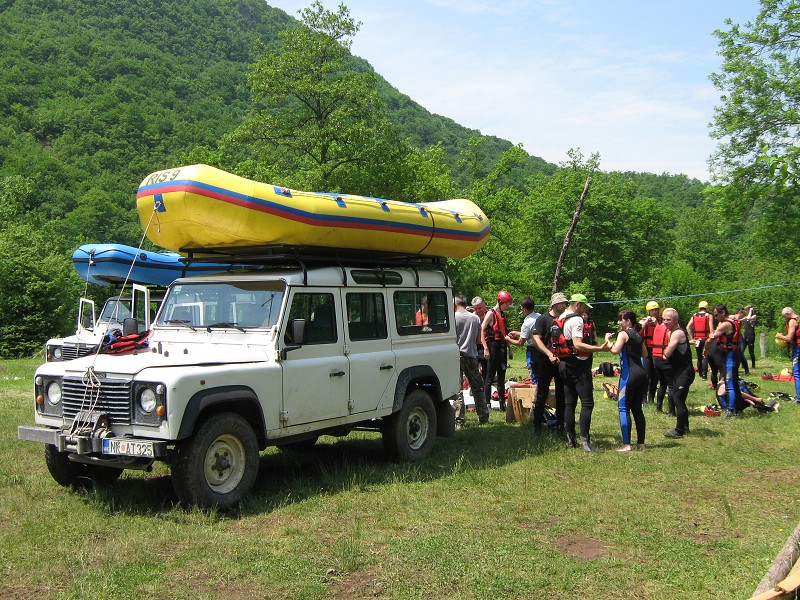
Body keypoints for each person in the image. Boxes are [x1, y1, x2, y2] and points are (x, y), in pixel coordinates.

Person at [554, 293, 611, 452]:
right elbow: (578, 344)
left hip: (564, 364)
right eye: (584, 306)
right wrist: (600, 348)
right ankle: (585, 442)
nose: (585, 309)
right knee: (587, 403)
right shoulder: (577, 319)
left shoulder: (563, 316)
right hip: (578, 365)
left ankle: (570, 439)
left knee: (569, 403)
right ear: (578, 304)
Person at [605, 310, 647, 452]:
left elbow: (615, 350)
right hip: (641, 373)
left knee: (623, 408)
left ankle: (626, 444)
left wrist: (607, 341)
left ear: (628, 321)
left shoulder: (624, 334)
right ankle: (640, 443)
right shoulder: (639, 335)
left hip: (629, 375)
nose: (618, 322)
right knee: (637, 409)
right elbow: (645, 354)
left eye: (620, 320)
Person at [530, 292, 569, 436]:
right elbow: (536, 339)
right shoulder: (543, 319)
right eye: (561, 303)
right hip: (545, 362)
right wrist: (549, 354)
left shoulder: (566, 319)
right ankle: (537, 427)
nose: (564, 305)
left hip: (562, 362)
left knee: (561, 395)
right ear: (554, 304)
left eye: (565, 303)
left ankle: (560, 426)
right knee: (541, 394)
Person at [453, 295, 489, 427]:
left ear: (455, 303)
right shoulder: (475, 318)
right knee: (477, 387)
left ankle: (459, 420)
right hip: (472, 355)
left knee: (458, 389)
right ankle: (483, 415)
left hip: (457, 356)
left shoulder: (453, 317)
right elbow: (479, 340)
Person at [705, 303, 744, 417]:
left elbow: (710, 339)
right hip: (730, 355)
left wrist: (706, 348)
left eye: (716, 315)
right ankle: (736, 408)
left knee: (730, 383)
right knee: (730, 382)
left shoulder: (725, 325)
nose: (715, 317)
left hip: (731, 357)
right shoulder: (729, 321)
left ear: (723, 313)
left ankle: (730, 410)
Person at [662, 308, 695, 438]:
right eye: (664, 319)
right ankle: (685, 427)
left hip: (685, 372)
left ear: (676, 320)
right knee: (679, 398)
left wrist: (665, 353)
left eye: (668, 320)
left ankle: (679, 430)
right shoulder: (671, 332)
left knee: (678, 398)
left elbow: (667, 353)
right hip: (678, 371)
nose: (665, 322)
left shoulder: (677, 333)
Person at [481, 291, 515, 412]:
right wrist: (485, 348)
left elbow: (504, 334)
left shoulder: (503, 315)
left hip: (502, 348)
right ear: (500, 302)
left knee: (501, 376)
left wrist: (510, 349)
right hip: (492, 347)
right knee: (489, 377)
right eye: (506, 304)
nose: (508, 306)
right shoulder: (491, 313)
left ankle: (502, 403)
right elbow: (482, 329)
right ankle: (487, 403)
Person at [640, 301, 668, 407]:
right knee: (646, 375)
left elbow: (663, 333)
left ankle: (651, 397)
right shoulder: (643, 321)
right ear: (648, 311)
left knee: (655, 375)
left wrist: (656, 324)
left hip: (657, 351)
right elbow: (637, 331)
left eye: (656, 310)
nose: (655, 312)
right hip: (646, 351)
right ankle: (643, 399)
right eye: (652, 310)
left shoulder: (661, 323)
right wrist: (646, 322)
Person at [507, 296, 540, 384]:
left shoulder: (526, 323)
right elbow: (533, 332)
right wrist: (518, 333)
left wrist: (508, 339)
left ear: (524, 308)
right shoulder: (539, 317)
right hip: (543, 348)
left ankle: (536, 394)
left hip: (533, 350)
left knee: (534, 373)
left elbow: (520, 343)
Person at [686, 300, 715, 383]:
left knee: (699, 357)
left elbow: (688, 327)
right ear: (707, 307)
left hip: (697, 339)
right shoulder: (709, 316)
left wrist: (692, 338)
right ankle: (704, 376)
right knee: (705, 356)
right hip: (705, 338)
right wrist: (711, 339)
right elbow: (711, 329)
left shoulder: (694, 315)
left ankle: (700, 374)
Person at [776, 307, 800, 401]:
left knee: (797, 372)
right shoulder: (798, 318)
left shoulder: (792, 321)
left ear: (788, 314)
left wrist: (780, 336)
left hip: (798, 349)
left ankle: (799, 397)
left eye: (784, 317)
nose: (785, 319)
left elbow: (789, 338)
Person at [471, 296, 489, 377]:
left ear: (484, 305)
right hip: (475, 346)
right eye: (476, 309)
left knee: (486, 370)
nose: (478, 311)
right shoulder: (472, 317)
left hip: (487, 346)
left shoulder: (489, 315)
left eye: (480, 308)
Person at [738, 305, 757, 375]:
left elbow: (749, 318)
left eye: (746, 310)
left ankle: (753, 365)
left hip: (751, 336)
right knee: (741, 350)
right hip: (745, 336)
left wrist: (751, 310)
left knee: (751, 351)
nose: (745, 311)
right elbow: (742, 319)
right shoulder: (747, 316)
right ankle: (743, 364)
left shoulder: (754, 316)